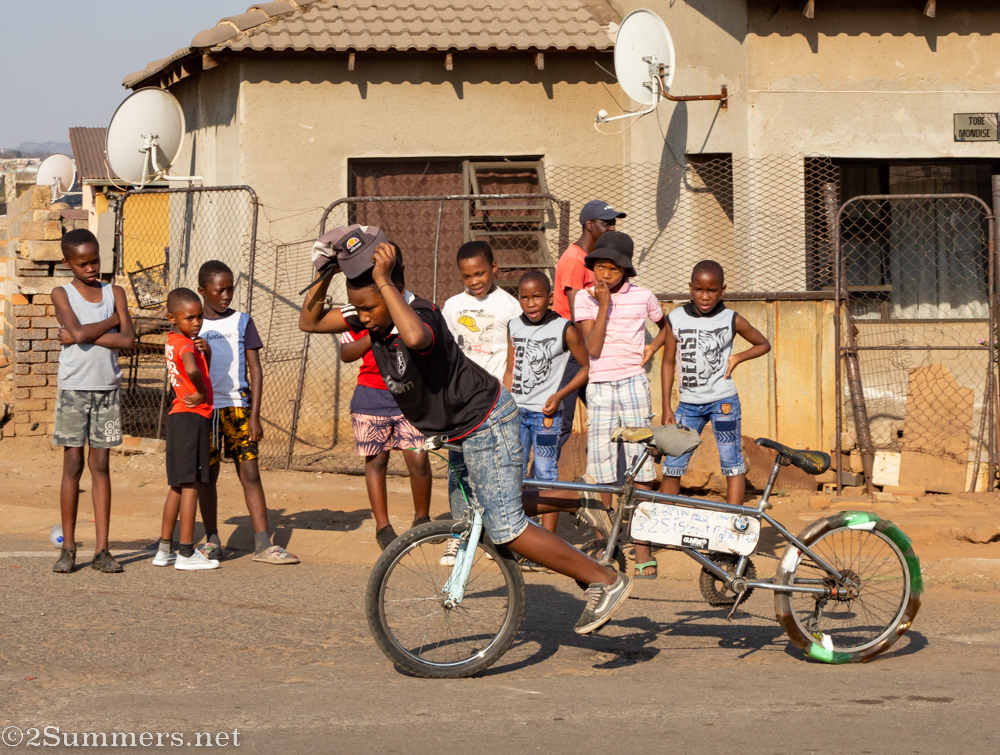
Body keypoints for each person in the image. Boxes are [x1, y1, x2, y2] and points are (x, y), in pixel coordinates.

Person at [299, 226, 632, 635]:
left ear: (390, 290)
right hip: (462, 430)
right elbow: (309, 321)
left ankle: (605, 580)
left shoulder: (420, 314)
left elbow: (417, 337)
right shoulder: (376, 315)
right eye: (358, 309)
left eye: (368, 308)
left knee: (505, 528)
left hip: (487, 420)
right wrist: (329, 274)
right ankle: (572, 498)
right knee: (477, 513)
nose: (361, 318)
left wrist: (383, 281)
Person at [195, 261, 298, 565]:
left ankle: (263, 544)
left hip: (239, 408)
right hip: (207, 411)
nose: (226, 295)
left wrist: (255, 415)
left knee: (250, 474)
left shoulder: (242, 321)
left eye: (230, 289)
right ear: (203, 291)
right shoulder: (194, 323)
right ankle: (212, 540)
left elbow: (255, 368)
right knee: (207, 477)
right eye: (219, 290)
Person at [575, 231, 665, 579]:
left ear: (625, 270)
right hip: (599, 387)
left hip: (633, 385)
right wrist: (604, 306)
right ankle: (604, 547)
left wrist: (652, 347)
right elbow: (593, 349)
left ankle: (642, 547)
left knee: (641, 468)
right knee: (601, 470)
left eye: (612, 270)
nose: (604, 276)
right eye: (599, 267)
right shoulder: (585, 299)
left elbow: (666, 327)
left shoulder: (643, 297)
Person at [337, 246, 433, 551]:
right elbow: (346, 353)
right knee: (376, 461)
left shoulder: (413, 308)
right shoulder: (357, 312)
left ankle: (422, 519)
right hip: (370, 398)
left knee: (418, 460)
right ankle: (383, 526)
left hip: (409, 399)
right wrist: (373, 333)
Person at [50, 229, 135, 574]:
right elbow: (83, 333)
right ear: (68, 263)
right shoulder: (61, 293)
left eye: (95, 260)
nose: (91, 268)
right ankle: (68, 548)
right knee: (73, 465)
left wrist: (86, 333)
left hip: (107, 390)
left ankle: (102, 550)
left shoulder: (115, 292)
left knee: (101, 467)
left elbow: (128, 341)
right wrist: (113, 321)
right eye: (82, 263)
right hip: (74, 389)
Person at [656, 260, 771, 511]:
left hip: (724, 402)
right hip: (688, 405)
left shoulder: (731, 319)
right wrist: (667, 405)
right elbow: (667, 363)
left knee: (732, 463)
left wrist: (738, 357)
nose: (705, 297)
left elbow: (763, 344)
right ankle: (664, 522)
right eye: (699, 289)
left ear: (723, 290)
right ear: (690, 288)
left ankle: (733, 524)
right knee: (673, 464)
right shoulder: (675, 318)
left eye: (712, 290)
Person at [503, 272, 589, 535]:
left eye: (537, 297)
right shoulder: (513, 326)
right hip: (516, 413)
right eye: (524, 297)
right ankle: (519, 535)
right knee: (513, 472)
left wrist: (560, 395)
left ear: (550, 297)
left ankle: (549, 540)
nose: (530, 303)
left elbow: (586, 367)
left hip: (546, 416)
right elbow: (510, 369)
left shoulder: (564, 328)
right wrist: (504, 404)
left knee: (545, 475)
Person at [552, 200, 626, 457]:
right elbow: (575, 312)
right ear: (589, 225)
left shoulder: (594, 259)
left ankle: (612, 477)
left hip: (587, 346)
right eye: (607, 223)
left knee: (604, 414)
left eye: (614, 222)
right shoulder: (575, 260)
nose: (612, 228)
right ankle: (536, 479)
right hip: (575, 349)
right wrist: (590, 352)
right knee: (563, 417)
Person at [153, 288, 219, 571]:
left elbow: (193, 368)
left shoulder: (173, 341)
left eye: (200, 316)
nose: (196, 322)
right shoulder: (187, 345)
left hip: (179, 415)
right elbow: (192, 371)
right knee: (192, 484)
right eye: (189, 317)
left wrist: (209, 354)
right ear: (172, 318)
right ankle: (186, 553)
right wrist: (203, 393)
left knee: (177, 486)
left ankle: (164, 549)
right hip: (193, 416)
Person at [441, 241, 521, 381]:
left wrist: (508, 388)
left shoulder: (511, 306)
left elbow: (516, 355)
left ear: (494, 267)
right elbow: (446, 347)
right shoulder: (452, 305)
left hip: (496, 388)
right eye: (467, 276)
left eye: (479, 274)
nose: (474, 281)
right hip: (463, 386)